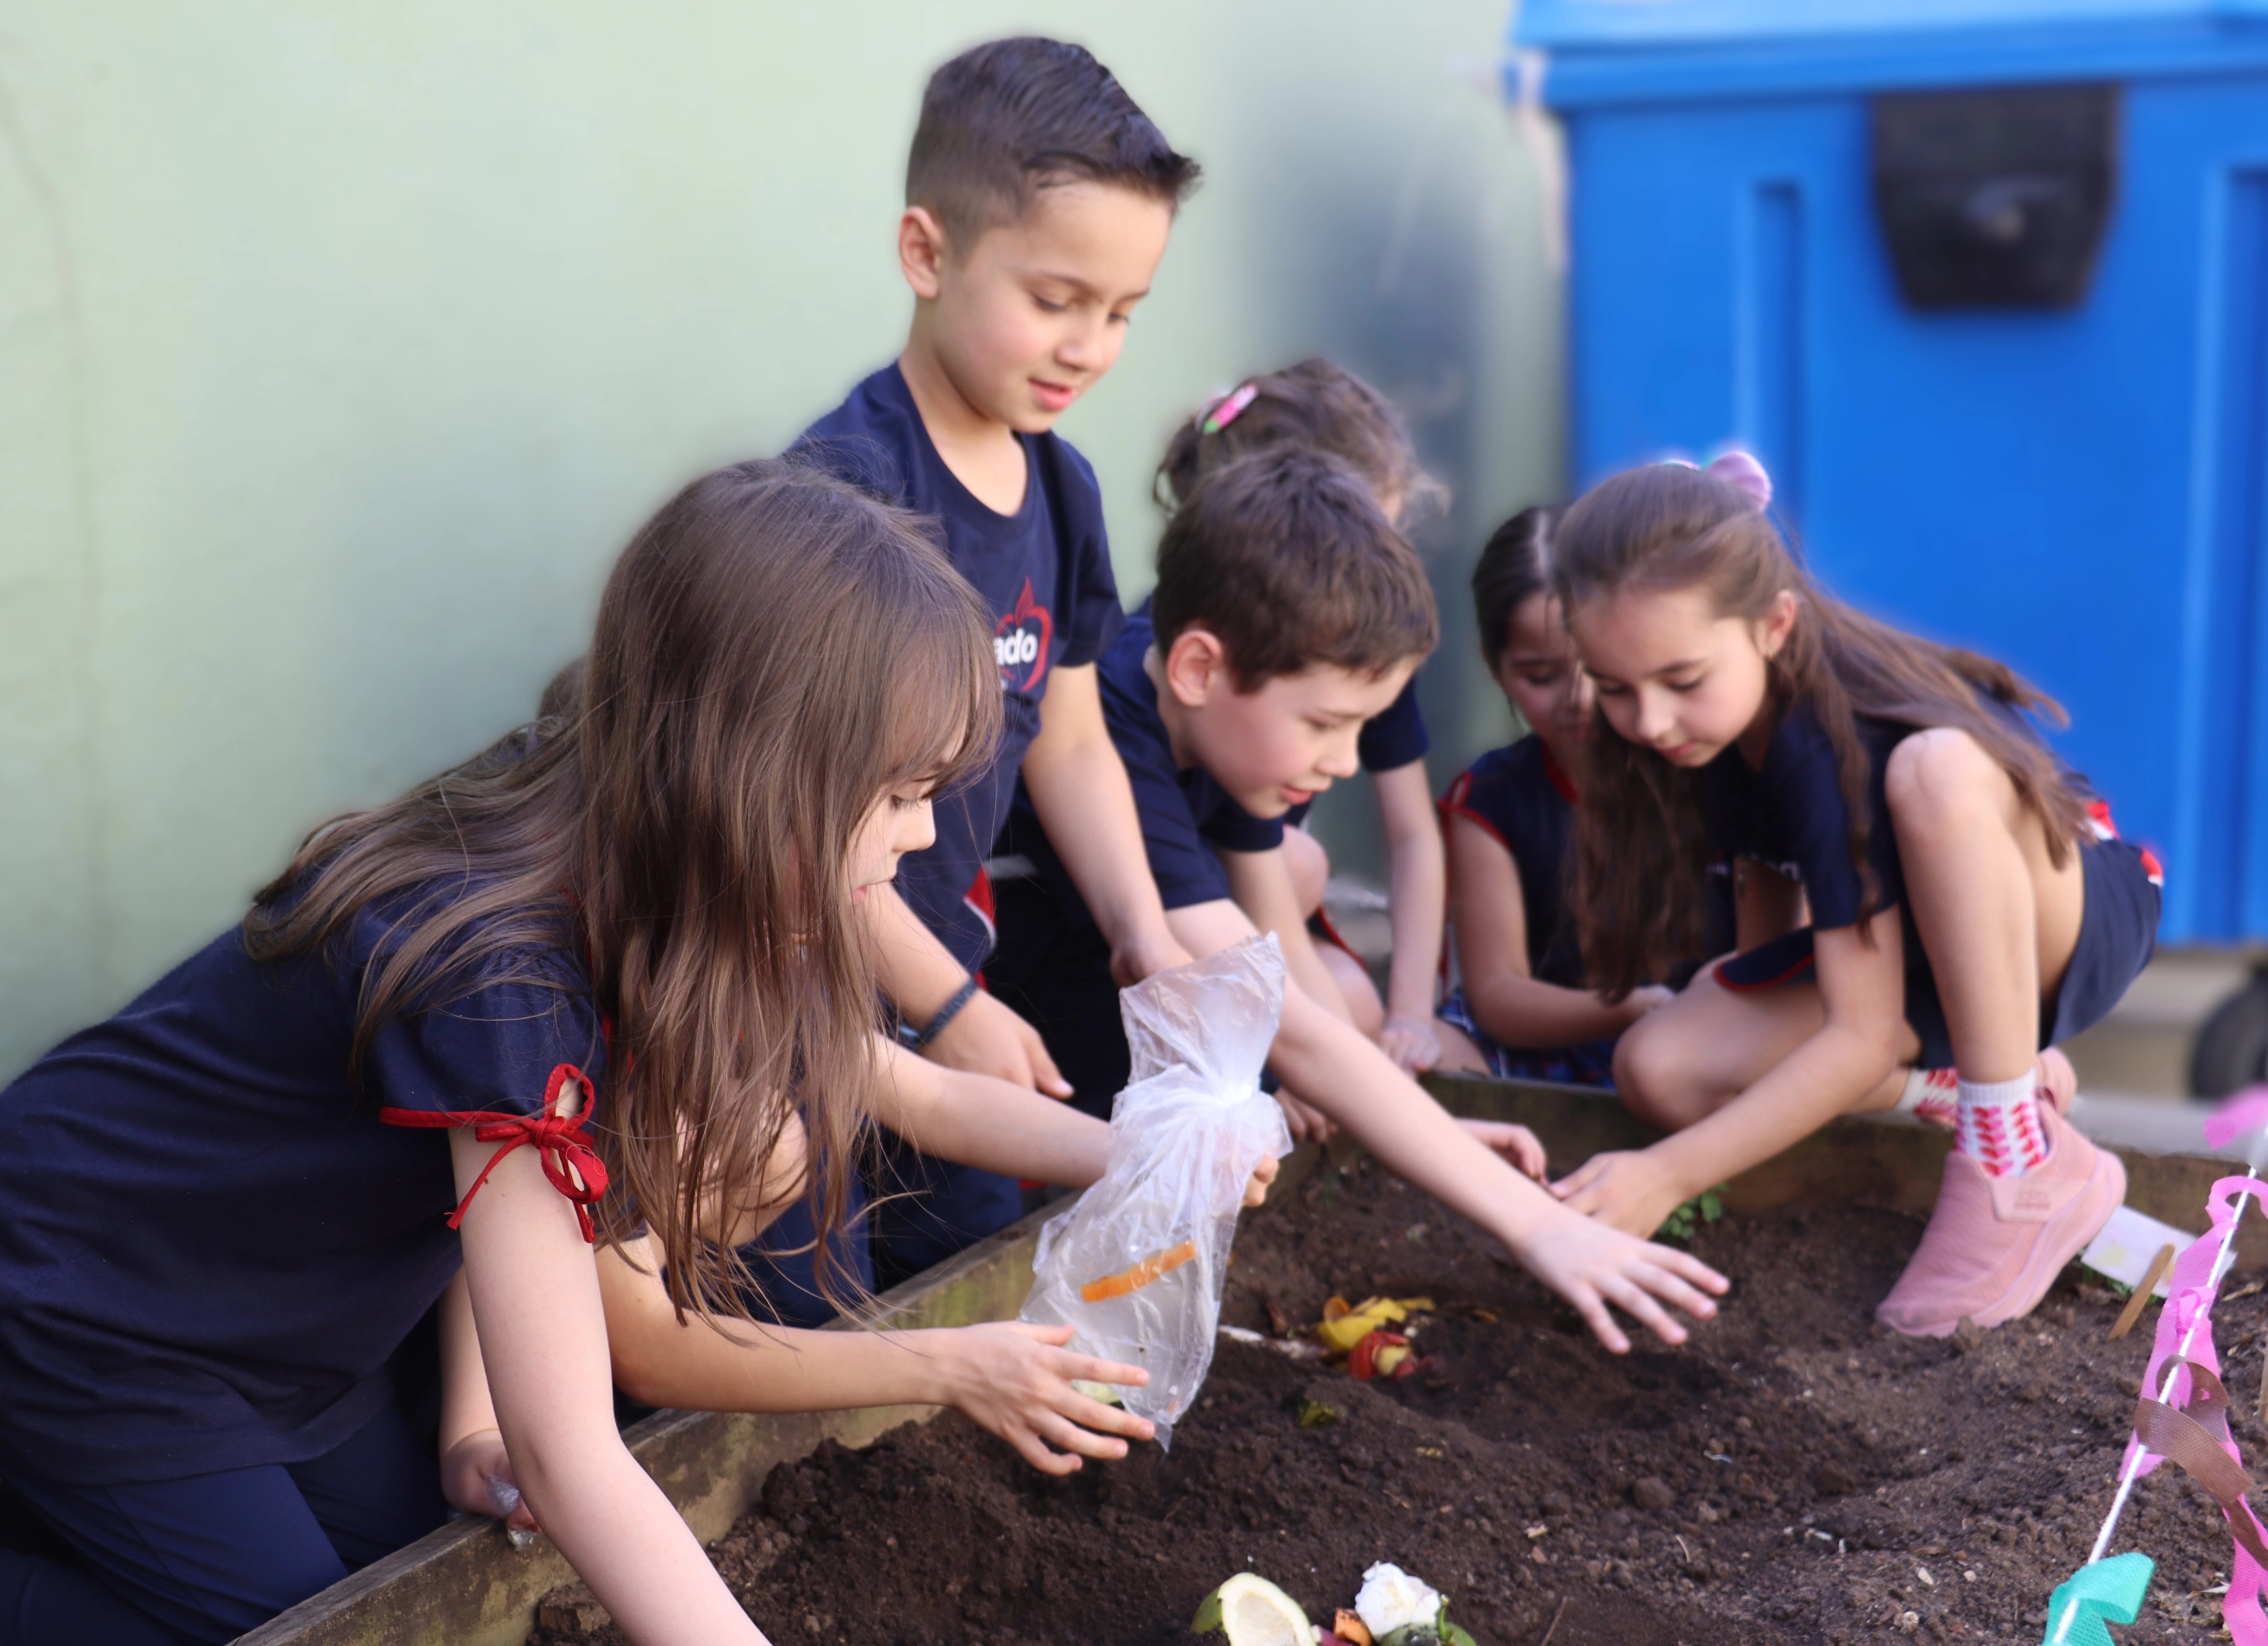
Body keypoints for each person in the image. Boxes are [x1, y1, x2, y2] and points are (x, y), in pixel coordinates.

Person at [0, 461, 1025, 1644]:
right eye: (898, 794)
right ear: (756, 772)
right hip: (95, 1313)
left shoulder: (648, 880)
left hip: (299, 1339)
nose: (925, 834)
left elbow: (491, 1218)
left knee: (427, 1589)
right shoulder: (503, 963)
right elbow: (573, 1452)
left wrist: (468, 1423)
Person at [987, 446, 1729, 1354]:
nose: (1343, 764)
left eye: (1360, 730)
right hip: (992, 1072)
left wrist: (1429, 1131)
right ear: (1198, 669)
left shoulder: (1214, 740)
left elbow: (1281, 969)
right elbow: (1288, 1021)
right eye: (1326, 725)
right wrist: (1537, 1226)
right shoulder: (1117, 733)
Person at [1542, 454, 2159, 1338]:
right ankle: (1977, 1090)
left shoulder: (1831, 738)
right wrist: (1740, 1024)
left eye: (1681, 682)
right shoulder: (1701, 738)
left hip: (2059, 913)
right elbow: (1774, 929)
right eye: (1614, 689)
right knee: (1659, 1068)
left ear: (1773, 625)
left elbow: (1860, 1032)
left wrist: (1668, 1176)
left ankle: (2013, 1161)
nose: (1648, 720)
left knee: (1937, 769)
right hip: (1914, 958)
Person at [793, 36, 1199, 1285]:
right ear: (928, 253)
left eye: (1122, 313)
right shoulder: (846, 494)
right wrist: (950, 1014)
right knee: (802, 1307)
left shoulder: (1063, 492)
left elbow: (1067, 735)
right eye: (1056, 299)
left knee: (957, 1273)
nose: (1089, 345)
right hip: (807, 1007)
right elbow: (801, 816)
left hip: (952, 990)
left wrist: (1145, 930)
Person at [1151, 360, 1448, 1073]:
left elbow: (1414, 835)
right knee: (1303, 866)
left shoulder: (1364, 664)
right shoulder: (1200, 672)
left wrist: (1411, 1011)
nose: (1371, 570)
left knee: (1357, 1005)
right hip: (1209, 922)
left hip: (1253, 911)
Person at [1430, 506, 1723, 1085]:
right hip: (1551, 1045)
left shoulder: (1705, 763)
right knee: (1431, 1053)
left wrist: (1677, 1018)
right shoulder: (1488, 798)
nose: (1578, 699)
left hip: (1705, 1039)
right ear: (1494, 668)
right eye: (1540, 676)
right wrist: (1633, 1008)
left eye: (1599, 670)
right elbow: (1497, 996)